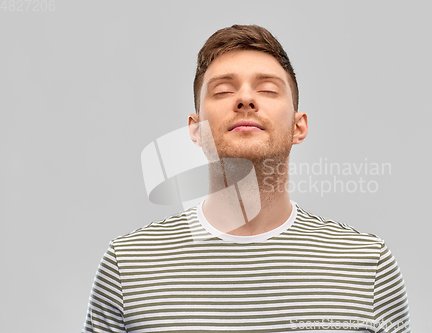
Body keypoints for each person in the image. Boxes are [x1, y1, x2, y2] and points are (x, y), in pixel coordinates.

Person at [83, 24, 411, 333]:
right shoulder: (128, 266)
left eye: (267, 89)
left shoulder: (367, 266)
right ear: (196, 130)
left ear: (299, 127)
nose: (245, 99)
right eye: (224, 90)